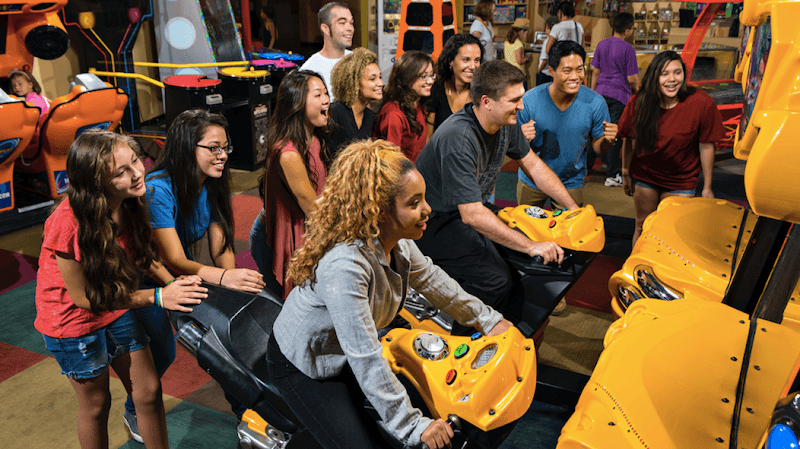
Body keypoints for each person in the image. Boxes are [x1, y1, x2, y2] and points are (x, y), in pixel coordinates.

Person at [267, 139, 514, 449]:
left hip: (343, 350)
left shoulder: (396, 242)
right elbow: (365, 355)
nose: (428, 210)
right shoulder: (346, 266)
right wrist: (412, 426)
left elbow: (435, 281)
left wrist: (488, 320)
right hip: (306, 364)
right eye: (414, 203)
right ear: (380, 212)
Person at [34, 130, 207, 448]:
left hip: (115, 307)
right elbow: (85, 298)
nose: (138, 172)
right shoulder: (67, 222)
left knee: (149, 392)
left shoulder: (131, 200)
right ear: (97, 182)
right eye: (121, 171)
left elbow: (143, 255)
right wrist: (158, 296)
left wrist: (173, 283)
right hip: (73, 321)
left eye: (135, 161)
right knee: (96, 406)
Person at [415, 59, 578, 328]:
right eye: (514, 100)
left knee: (522, 261)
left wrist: (572, 208)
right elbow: (472, 216)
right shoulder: (458, 138)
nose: (522, 106)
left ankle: (507, 328)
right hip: (432, 222)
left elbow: (534, 165)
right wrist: (531, 245)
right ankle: (463, 339)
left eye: (521, 98)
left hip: (467, 209)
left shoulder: (505, 123)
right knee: (495, 279)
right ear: (487, 102)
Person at [141, 109, 265, 425]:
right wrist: (224, 277)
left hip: (180, 276)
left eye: (225, 147)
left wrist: (232, 287)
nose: (222, 155)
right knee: (162, 354)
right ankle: (136, 409)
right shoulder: (158, 188)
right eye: (213, 148)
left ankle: (249, 415)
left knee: (228, 341)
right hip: (147, 277)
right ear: (186, 147)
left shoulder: (210, 181)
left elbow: (220, 244)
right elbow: (173, 258)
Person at [618, 51, 724, 245]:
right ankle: (637, 271)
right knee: (643, 226)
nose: (672, 79)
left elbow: (707, 145)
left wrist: (707, 187)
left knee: (672, 232)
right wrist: (625, 172)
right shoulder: (639, 102)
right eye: (664, 73)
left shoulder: (701, 102)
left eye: (677, 72)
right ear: (654, 76)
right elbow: (629, 139)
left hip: (682, 181)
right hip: (646, 176)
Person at [252, 70, 330, 298]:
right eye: (317, 95)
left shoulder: (315, 138)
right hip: (282, 241)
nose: (326, 99)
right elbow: (314, 210)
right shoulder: (289, 154)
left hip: (305, 235)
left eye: (326, 93)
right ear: (297, 103)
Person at [517, 40, 616, 209]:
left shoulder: (595, 102)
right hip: (532, 179)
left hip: (570, 181)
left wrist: (608, 141)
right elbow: (513, 149)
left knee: (569, 233)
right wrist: (521, 139)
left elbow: (599, 148)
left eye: (580, 69)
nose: (575, 77)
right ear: (551, 71)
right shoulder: (529, 101)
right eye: (567, 71)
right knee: (527, 232)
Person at [590, 12, 639, 187]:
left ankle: (588, 167)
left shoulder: (602, 45)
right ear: (626, 30)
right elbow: (632, 78)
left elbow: (595, 72)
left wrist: (592, 93)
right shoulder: (628, 49)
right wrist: (638, 91)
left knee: (596, 130)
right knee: (613, 134)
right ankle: (612, 175)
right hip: (619, 95)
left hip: (601, 92)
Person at [374, 51, 434, 162]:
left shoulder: (418, 105)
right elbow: (393, 163)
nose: (430, 81)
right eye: (424, 76)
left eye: (431, 75)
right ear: (407, 78)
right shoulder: (393, 114)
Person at [328, 47, 383, 159]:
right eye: (372, 79)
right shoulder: (335, 112)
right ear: (354, 83)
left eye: (380, 77)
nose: (381, 83)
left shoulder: (368, 116)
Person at [426, 33, 484, 137]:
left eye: (477, 60)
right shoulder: (436, 89)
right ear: (450, 61)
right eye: (466, 59)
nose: (473, 66)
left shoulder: (482, 92)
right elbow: (428, 138)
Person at [299, 2, 353, 100]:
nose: (350, 28)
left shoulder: (357, 60)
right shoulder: (310, 70)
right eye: (342, 23)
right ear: (325, 28)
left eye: (351, 23)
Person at [504, 18, 531, 87]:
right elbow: (519, 61)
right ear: (521, 31)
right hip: (519, 74)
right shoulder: (518, 44)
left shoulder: (507, 41)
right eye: (526, 32)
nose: (526, 35)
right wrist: (527, 58)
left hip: (509, 72)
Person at [536, 16, 559, 86]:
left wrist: (539, 70)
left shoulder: (548, 41)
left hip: (544, 72)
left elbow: (545, 60)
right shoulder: (557, 39)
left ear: (547, 27)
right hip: (553, 72)